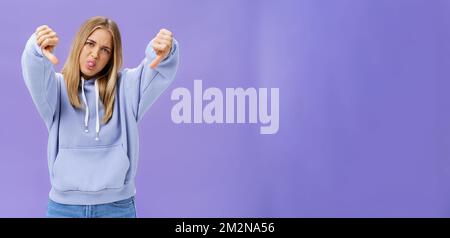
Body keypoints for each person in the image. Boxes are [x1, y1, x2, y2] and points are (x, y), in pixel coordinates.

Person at [21, 16, 179, 218]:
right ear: (79, 43)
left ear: (112, 57)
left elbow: (156, 70)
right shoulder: (56, 89)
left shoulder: (125, 89)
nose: (95, 54)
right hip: (63, 208)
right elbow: (35, 74)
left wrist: (165, 52)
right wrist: (36, 51)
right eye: (90, 43)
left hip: (116, 207)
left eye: (105, 50)